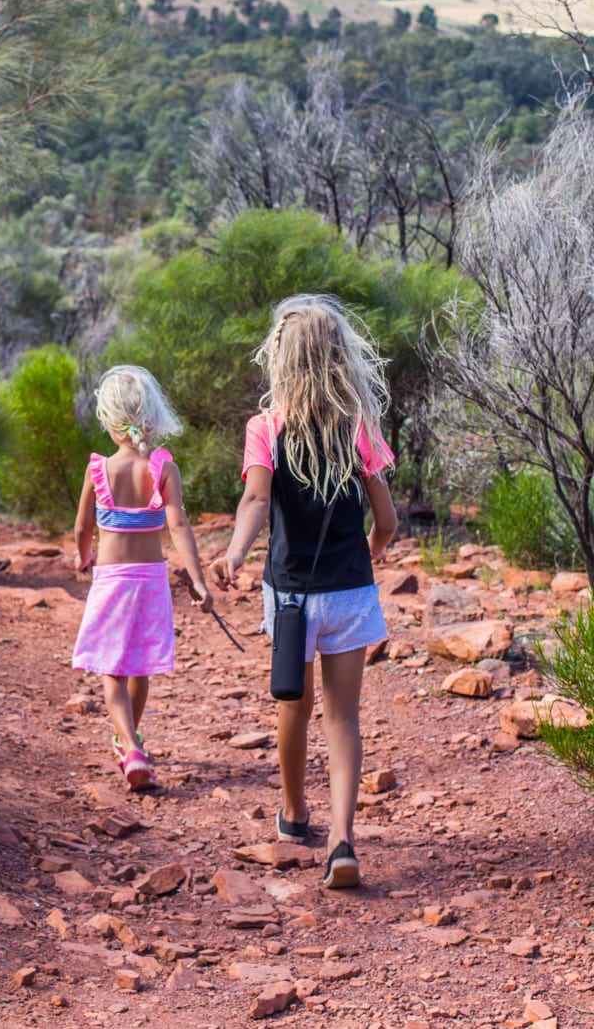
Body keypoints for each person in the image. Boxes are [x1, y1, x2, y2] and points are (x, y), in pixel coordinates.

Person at [211, 295, 397, 888]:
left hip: (289, 595)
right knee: (343, 719)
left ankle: (294, 814)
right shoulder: (358, 427)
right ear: (340, 356)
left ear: (282, 358)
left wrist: (235, 554)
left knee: (292, 705)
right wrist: (375, 548)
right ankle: (343, 841)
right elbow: (387, 518)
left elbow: (257, 501)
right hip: (349, 592)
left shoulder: (265, 428)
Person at [72, 364, 213, 791]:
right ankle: (130, 740)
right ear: (151, 418)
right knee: (139, 666)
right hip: (150, 581)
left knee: (110, 671)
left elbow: (82, 528)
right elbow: (179, 527)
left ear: (111, 423)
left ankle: (129, 745)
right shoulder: (163, 468)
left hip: (112, 580)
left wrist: (84, 559)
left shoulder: (99, 470)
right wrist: (199, 580)